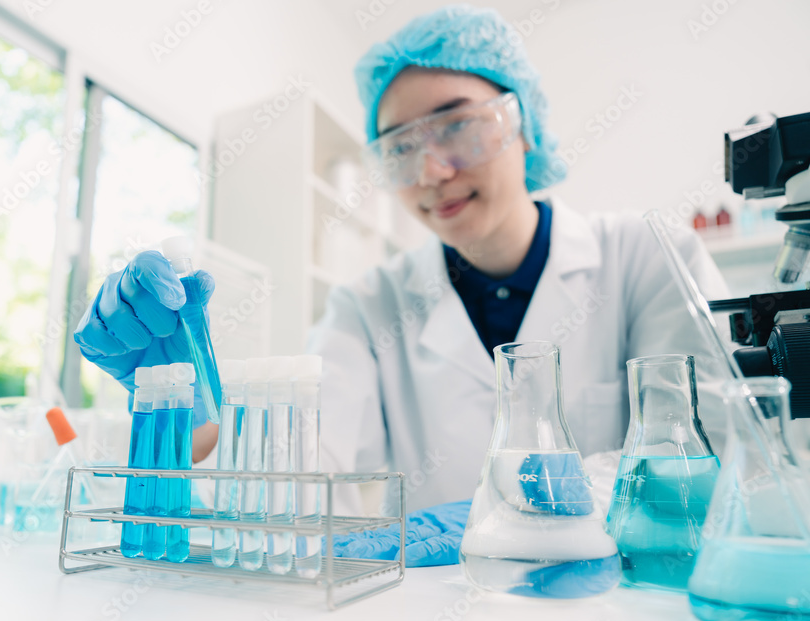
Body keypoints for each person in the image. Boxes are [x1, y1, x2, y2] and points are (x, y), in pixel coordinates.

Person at [73, 6, 728, 567]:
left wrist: (544, 497)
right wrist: (196, 424)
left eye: (459, 126)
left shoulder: (648, 255)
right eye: (400, 149)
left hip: (624, 612)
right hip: (439, 618)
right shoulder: (367, 307)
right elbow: (303, 470)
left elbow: (705, 456)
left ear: (521, 125)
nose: (434, 170)